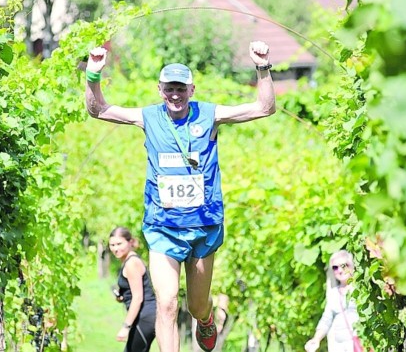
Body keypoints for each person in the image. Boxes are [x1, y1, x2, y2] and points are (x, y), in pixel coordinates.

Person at [85, 41, 276, 352]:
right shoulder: (148, 117)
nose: (175, 94)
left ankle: (206, 319)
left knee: (197, 306)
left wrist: (263, 66)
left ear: (192, 90)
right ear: (160, 90)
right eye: (169, 88)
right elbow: (99, 110)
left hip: (204, 227)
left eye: (181, 88)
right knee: (167, 302)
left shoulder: (210, 115)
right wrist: (93, 73)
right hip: (163, 227)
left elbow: (264, 108)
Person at [108, 227, 157, 352]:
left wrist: (126, 326)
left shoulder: (131, 263)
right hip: (143, 316)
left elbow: (138, 297)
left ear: (130, 242)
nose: (115, 248)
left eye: (119, 244)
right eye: (112, 245)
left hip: (145, 317)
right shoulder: (129, 260)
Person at [305, 250, 362, 352]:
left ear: (352, 266)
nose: (340, 270)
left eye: (344, 265)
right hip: (339, 347)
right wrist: (316, 339)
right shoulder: (333, 294)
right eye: (335, 267)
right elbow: (327, 318)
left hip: (360, 343)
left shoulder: (361, 289)